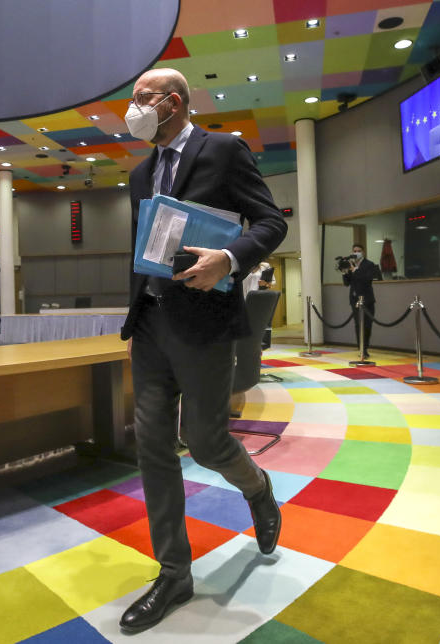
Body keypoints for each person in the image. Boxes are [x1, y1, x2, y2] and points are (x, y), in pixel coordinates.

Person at [118, 68, 288, 634]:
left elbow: (269, 221)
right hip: (150, 324)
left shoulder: (223, 150)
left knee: (209, 444)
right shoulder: (141, 172)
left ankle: (259, 490)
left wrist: (229, 259)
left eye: (142, 99)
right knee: (153, 446)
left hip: (206, 323)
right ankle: (174, 572)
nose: (133, 107)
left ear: (172, 102)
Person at [341, 243, 382, 358]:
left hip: (367, 299)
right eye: (354, 250)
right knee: (358, 325)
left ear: (363, 252)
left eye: (358, 250)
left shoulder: (369, 264)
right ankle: (361, 348)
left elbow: (367, 279)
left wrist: (355, 270)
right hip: (354, 299)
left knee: (367, 325)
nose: (356, 253)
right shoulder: (350, 264)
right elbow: (346, 283)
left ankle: (365, 347)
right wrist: (345, 272)